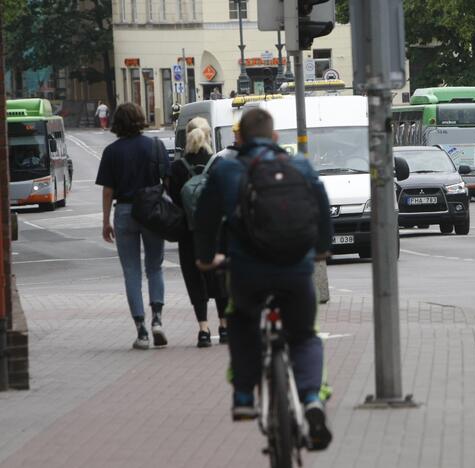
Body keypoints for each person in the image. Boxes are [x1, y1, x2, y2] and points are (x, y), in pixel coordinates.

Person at [193, 109, 333, 449]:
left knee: (241, 322)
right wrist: (320, 251)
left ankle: (243, 396)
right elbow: (322, 207)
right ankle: (312, 399)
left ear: (239, 138)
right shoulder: (300, 165)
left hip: (248, 272)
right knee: (302, 336)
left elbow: (206, 217)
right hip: (297, 272)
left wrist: (206, 258)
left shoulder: (226, 169)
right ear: (273, 137)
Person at [95, 103, 168, 350]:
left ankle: (141, 330)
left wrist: (106, 221)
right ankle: (157, 318)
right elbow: (166, 181)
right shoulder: (155, 146)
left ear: (117, 123)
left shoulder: (111, 152)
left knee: (131, 271)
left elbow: (108, 191)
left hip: (125, 211)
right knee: (155, 266)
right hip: (152, 212)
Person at [168, 117, 229, 347]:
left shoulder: (177, 168)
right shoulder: (219, 165)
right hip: (217, 233)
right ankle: (224, 327)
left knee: (195, 280)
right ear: (208, 137)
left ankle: (203, 330)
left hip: (188, 233)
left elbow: (173, 200)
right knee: (220, 278)